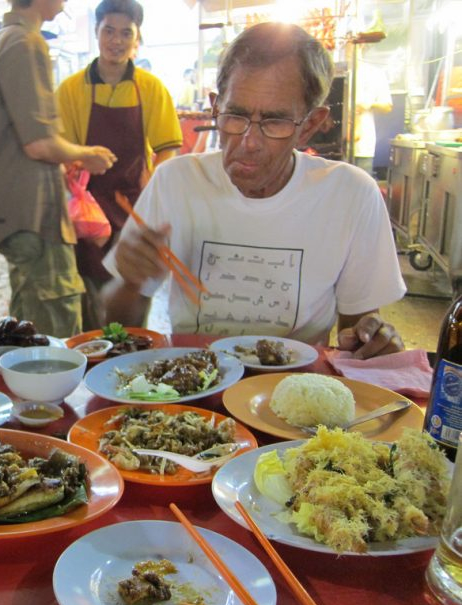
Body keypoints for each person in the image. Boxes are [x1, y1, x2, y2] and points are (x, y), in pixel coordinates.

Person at [101, 22, 406, 359]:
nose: (249, 142)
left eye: (274, 121)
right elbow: (116, 328)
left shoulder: (350, 195)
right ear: (216, 106)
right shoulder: (176, 181)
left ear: (310, 126)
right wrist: (129, 283)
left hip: (292, 396)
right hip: (192, 388)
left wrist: (373, 339)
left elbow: (357, 332)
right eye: (235, 115)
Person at [0, 0, 117, 339]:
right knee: (55, 336)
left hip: (7, 214)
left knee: (27, 329)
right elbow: (39, 144)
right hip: (34, 216)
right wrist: (86, 154)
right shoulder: (25, 42)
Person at [55, 0, 181, 330]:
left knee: (133, 292)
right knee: (91, 297)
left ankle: (128, 360)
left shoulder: (151, 88)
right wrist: (82, 156)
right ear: (96, 34)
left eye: (126, 33)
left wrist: (155, 188)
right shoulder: (70, 90)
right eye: (108, 30)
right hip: (87, 213)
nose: (116, 40)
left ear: (137, 38)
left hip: (135, 208)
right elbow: (59, 150)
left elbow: (168, 150)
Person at [352, 45, 393, 176]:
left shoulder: (374, 74)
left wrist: (369, 105)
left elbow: (387, 106)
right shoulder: (335, 70)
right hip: (337, 144)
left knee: (360, 185)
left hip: (362, 143)